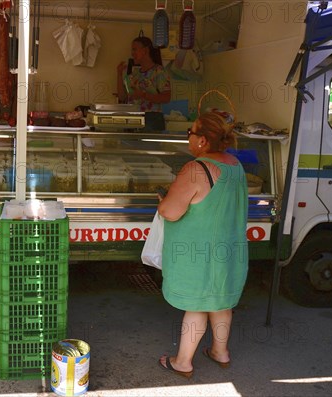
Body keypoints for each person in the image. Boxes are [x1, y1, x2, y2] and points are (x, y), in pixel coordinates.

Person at [156, 111, 249, 378]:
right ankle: (221, 352)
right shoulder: (235, 165)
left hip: (200, 254)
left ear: (203, 141)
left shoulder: (196, 169)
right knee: (221, 305)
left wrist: (162, 201)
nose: (189, 137)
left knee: (197, 306)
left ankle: (182, 362)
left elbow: (170, 212)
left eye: (191, 132)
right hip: (229, 252)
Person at [117, 36, 172, 129]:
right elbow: (122, 97)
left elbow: (166, 97)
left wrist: (143, 95)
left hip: (151, 120)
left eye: (135, 49)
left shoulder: (159, 71)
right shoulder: (135, 74)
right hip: (133, 119)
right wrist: (119, 74)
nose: (132, 53)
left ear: (145, 50)